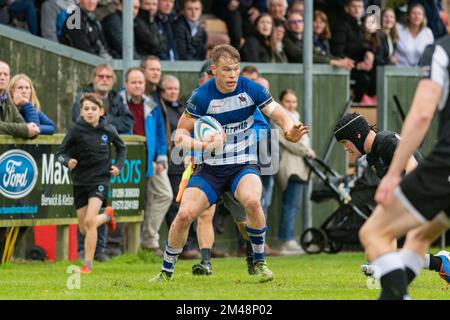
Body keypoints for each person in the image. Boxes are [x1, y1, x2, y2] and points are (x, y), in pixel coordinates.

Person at [152, 44, 308, 283]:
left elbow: (279, 114)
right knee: (184, 215)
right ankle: (166, 272)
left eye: (235, 69)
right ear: (214, 70)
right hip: (210, 168)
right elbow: (179, 136)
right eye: (226, 70)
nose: (232, 75)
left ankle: (259, 261)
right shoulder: (202, 96)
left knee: (253, 202)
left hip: (242, 164)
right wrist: (203, 145)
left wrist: (289, 130)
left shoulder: (250, 89)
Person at [359, 4, 450, 297]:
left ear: (443, 16)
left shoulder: (440, 51)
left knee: (373, 233)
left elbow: (422, 114)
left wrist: (393, 172)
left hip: (445, 165)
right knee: (419, 238)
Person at [334, 112, 450, 298]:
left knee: (374, 236)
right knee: (391, 243)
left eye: (345, 143)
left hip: (425, 194)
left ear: (357, 135)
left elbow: (412, 166)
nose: (346, 149)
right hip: (424, 194)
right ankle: (439, 264)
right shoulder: (373, 154)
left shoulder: (385, 140)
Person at [56, 92, 126, 273]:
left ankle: (87, 265)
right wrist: (67, 162)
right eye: (86, 109)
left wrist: (118, 166)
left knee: (89, 221)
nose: (89, 112)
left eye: (93, 109)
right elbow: (60, 154)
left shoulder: (108, 130)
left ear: (101, 111)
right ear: (81, 112)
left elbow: (121, 148)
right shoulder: (75, 131)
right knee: (84, 228)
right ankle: (108, 216)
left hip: (100, 181)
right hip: (80, 182)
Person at [72, 64, 133, 260]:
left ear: (113, 80)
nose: (104, 79)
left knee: (94, 212)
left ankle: (98, 251)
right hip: (83, 167)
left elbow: (128, 123)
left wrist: (103, 123)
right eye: (101, 76)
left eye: (108, 76)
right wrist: (100, 122)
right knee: (85, 221)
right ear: (94, 78)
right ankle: (83, 249)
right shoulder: (82, 96)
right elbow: (77, 122)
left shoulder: (117, 99)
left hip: (102, 169)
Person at [122, 67, 171, 257]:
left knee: (165, 194)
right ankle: (119, 246)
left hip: (150, 160)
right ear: (126, 84)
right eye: (133, 82)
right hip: (126, 160)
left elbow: (160, 134)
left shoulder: (152, 105)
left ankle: (149, 240)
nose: (137, 85)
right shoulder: (118, 102)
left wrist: (161, 157)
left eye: (140, 82)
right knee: (126, 199)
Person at [276, 89, 314, 255]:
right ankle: (286, 240)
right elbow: (291, 142)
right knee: (290, 205)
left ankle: (288, 238)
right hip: (290, 167)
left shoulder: (296, 117)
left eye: (294, 101)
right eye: (287, 101)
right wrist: (307, 150)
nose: (291, 104)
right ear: (281, 102)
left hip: (299, 167)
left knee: (294, 204)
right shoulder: (280, 119)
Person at [0, 61, 40, 139]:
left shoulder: (6, 99)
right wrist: (25, 130)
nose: (2, 77)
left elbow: (32, 129)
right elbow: (25, 129)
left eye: (5, 74)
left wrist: (27, 105)